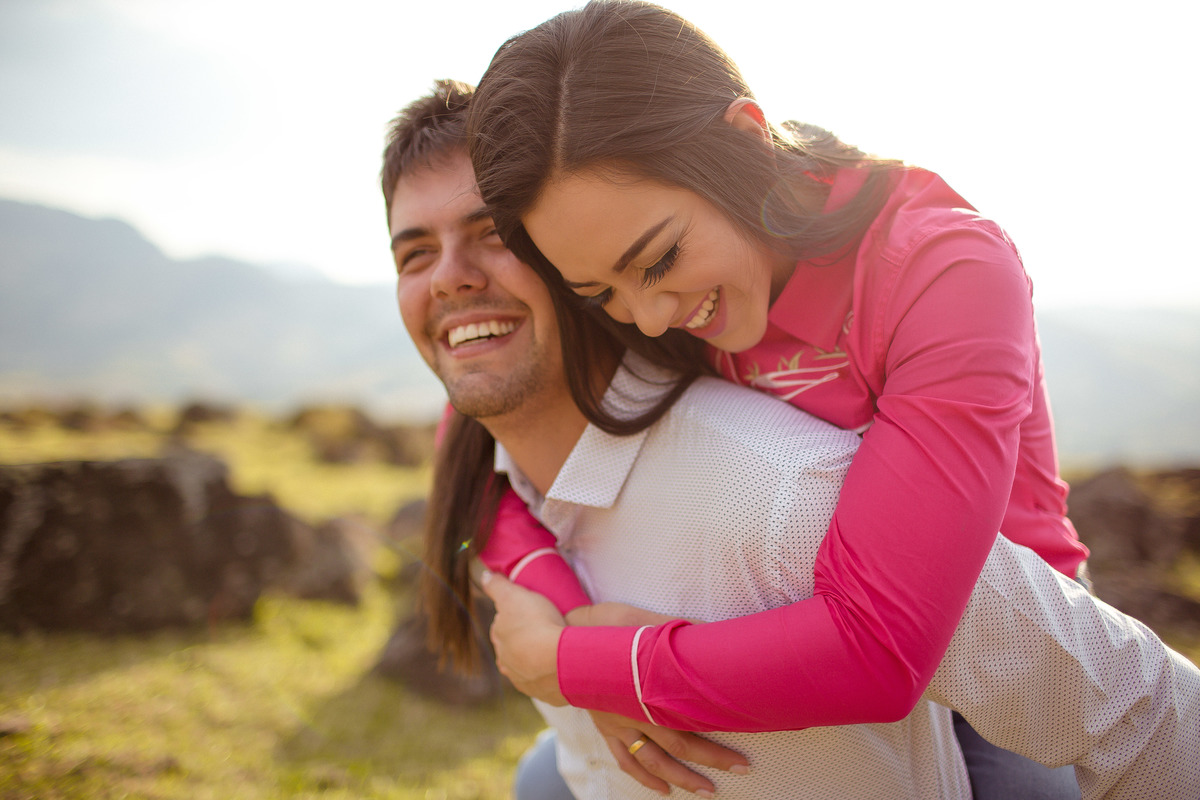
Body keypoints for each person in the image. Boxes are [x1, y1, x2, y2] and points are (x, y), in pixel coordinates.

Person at [382, 81, 1200, 800]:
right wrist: (565, 615)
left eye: (657, 260)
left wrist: (586, 665)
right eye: (602, 289)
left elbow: (885, 644)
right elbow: (481, 419)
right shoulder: (662, 288)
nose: (648, 314)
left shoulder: (932, 267)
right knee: (545, 779)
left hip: (997, 616)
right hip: (830, 608)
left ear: (738, 151)